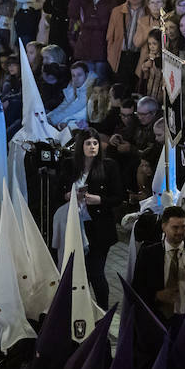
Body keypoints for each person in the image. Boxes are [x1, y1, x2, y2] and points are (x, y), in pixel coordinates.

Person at [67, 131, 124, 308]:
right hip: (76, 226)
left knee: (96, 272)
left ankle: (102, 311)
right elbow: (58, 190)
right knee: (79, 273)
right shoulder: (70, 166)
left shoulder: (109, 166)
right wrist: (68, 195)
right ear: (80, 146)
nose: (92, 147)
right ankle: (82, 309)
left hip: (99, 228)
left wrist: (100, 200)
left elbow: (118, 196)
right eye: (88, 143)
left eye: (95, 143)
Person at [132, 205, 185, 327]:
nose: (179, 232)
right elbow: (137, 288)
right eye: (175, 227)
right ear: (164, 227)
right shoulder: (148, 254)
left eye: (183, 227)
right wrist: (157, 295)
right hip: (156, 321)